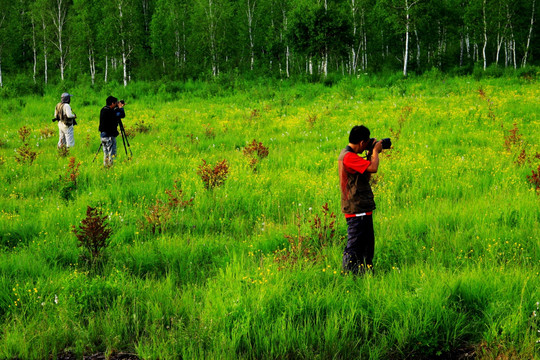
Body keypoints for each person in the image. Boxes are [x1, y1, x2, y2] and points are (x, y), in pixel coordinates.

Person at [338, 125, 384, 275]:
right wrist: (375, 152)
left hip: (360, 207)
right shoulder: (349, 156)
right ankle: (348, 276)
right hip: (356, 208)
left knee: (366, 246)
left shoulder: (349, 155)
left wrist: (370, 153)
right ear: (363, 142)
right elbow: (373, 168)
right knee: (355, 246)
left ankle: (364, 274)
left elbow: (366, 175)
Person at [99, 96, 125, 166]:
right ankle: (111, 167)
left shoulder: (103, 109)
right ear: (112, 103)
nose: (116, 104)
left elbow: (114, 114)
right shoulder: (110, 112)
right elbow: (121, 115)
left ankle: (106, 166)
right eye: (115, 103)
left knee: (106, 153)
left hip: (103, 135)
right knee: (112, 153)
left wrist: (117, 108)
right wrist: (120, 108)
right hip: (109, 136)